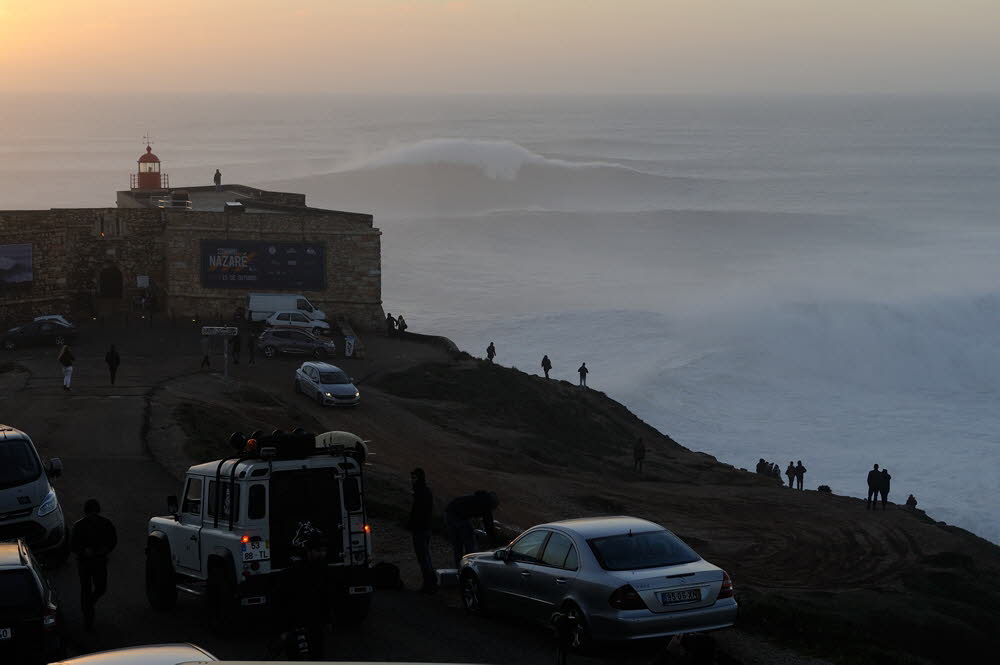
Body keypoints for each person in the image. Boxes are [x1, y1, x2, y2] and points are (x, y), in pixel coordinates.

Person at [275, 525, 332, 659]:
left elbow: (326, 595)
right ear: (309, 550)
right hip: (296, 624)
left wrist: (327, 619)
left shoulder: (323, 569)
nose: (322, 554)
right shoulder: (293, 572)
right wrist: (283, 629)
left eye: (324, 550)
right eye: (318, 550)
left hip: (315, 624)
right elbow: (281, 601)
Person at [70, 499, 118, 631]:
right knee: (99, 588)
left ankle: (88, 609)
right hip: (96, 562)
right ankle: (88, 613)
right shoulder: (105, 523)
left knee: (88, 590)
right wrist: (103, 550)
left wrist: (84, 551)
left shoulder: (79, 525)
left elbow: (73, 545)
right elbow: (113, 541)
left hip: (87, 563)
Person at [444, 490, 499, 568]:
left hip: (448, 514)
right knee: (470, 544)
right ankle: (470, 566)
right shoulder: (485, 505)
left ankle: (458, 568)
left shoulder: (479, 498)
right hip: (459, 517)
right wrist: (495, 546)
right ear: (491, 503)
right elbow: (489, 526)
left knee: (458, 545)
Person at [410, 468, 436, 593]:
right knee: (426, 556)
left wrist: (413, 524)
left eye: (414, 478)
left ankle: (428, 585)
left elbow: (418, 512)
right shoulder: (425, 491)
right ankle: (431, 582)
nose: (412, 480)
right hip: (426, 528)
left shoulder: (420, 492)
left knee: (423, 557)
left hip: (420, 529)